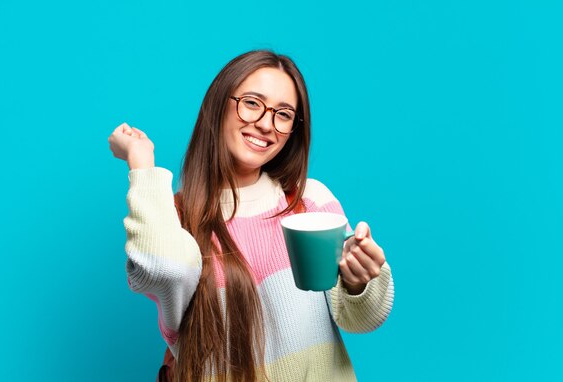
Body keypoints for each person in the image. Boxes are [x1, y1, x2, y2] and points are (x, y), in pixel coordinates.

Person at [108, 50, 394, 382]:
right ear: (219, 105)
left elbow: (363, 319)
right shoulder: (173, 218)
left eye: (284, 114)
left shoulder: (311, 201)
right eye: (252, 103)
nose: (266, 123)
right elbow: (162, 268)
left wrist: (360, 282)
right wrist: (142, 162)